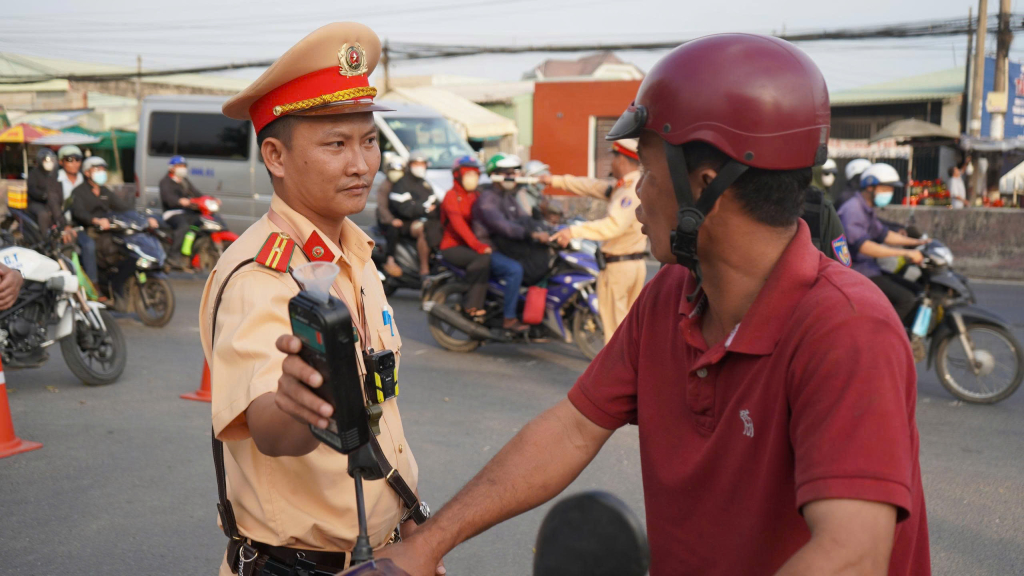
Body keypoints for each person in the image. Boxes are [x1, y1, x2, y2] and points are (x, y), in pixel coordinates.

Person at [345, 34, 928, 576]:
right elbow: (570, 430)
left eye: (646, 170)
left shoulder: (846, 328)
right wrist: (420, 549)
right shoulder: (672, 297)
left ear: (706, 184)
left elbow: (853, 551)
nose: (638, 193)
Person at [199, 22, 439, 576]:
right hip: (301, 565)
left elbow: (380, 417)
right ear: (276, 157)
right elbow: (269, 428)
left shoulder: (351, 252)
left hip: (381, 551)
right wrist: (293, 402)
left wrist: (409, 522)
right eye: (336, 144)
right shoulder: (261, 276)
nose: (361, 164)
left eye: (370, 140)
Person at [544, 139, 645, 343]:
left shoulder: (629, 190)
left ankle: (618, 373)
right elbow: (592, 186)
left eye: (613, 158)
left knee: (615, 330)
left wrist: (573, 231)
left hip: (619, 267)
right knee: (630, 326)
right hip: (633, 264)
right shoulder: (631, 184)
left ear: (622, 160)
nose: (611, 164)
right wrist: (555, 180)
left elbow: (613, 225)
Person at [837, 162, 928, 328]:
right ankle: (881, 338)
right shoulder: (853, 210)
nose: (890, 193)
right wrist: (906, 254)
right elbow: (864, 246)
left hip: (870, 268)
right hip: (858, 271)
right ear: (870, 187)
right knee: (905, 299)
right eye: (886, 188)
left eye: (891, 189)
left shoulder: (866, 209)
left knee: (916, 290)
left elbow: (884, 234)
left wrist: (917, 242)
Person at [71, 157, 158, 297]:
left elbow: (123, 207)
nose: (101, 172)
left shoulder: (105, 191)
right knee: (89, 247)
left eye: (103, 170)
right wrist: (96, 220)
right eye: (97, 169)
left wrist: (144, 219)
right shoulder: (79, 192)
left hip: (107, 228)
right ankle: (94, 285)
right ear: (87, 173)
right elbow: (78, 212)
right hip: (85, 229)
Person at [474, 153, 551, 290]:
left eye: (513, 173)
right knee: (515, 270)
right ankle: (510, 311)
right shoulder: (487, 199)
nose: (512, 177)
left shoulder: (508, 196)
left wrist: (545, 229)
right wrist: (531, 234)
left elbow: (524, 218)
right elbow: (503, 226)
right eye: (507, 174)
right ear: (495, 175)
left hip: (508, 244)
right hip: (491, 247)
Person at [438, 156, 492, 318]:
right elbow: (459, 226)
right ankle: (471, 304)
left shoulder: (476, 195)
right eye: (468, 175)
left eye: (475, 175)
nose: (472, 179)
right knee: (482, 259)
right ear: (457, 176)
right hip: (452, 246)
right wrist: (478, 246)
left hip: (472, 244)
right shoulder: (451, 196)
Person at [383, 150, 439, 279]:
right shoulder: (402, 183)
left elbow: (434, 202)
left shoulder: (425, 184)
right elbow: (404, 208)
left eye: (422, 164)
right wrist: (424, 209)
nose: (419, 167)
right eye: (416, 163)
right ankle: (424, 270)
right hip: (405, 222)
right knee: (422, 229)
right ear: (410, 165)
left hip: (427, 219)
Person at [160, 155, 217, 268]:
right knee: (183, 226)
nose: (182, 168)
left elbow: (197, 194)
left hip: (186, 212)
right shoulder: (165, 182)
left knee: (202, 223)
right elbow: (168, 199)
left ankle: (191, 254)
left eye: (183, 165)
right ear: (172, 168)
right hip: (172, 213)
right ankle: (173, 255)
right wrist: (180, 201)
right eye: (179, 166)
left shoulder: (184, 181)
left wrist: (211, 199)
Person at [376, 156, 407, 277]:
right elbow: (382, 208)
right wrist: (391, 220)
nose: (396, 174)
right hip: (387, 220)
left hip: (401, 217)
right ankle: (391, 259)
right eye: (393, 170)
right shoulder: (385, 186)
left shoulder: (405, 184)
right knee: (393, 231)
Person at [26, 148, 68, 236]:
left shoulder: (55, 174)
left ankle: (62, 232)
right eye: (46, 160)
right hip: (36, 202)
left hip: (51, 202)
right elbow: (32, 189)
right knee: (43, 214)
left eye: (51, 160)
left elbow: (58, 190)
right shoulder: (34, 173)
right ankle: (44, 237)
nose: (49, 163)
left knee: (59, 214)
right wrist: (42, 195)